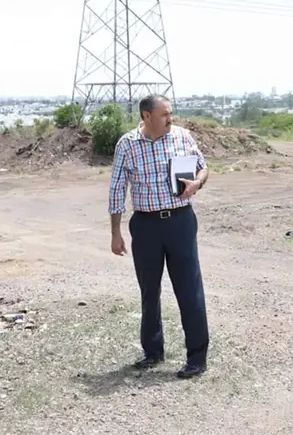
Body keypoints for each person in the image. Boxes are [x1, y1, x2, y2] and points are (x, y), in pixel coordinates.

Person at [108, 94, 211, 379]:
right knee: (149, 291)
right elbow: (117, 189)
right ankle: (153, 352)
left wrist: (197, 183)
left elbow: (203, 167)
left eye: (170, 113)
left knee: (189, 289)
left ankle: (197, 357)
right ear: (146, 116)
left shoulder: (182, 136)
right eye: (164, 114)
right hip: (146, 226)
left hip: (180, 222)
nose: (170, 119)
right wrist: (115, 232)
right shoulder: (127, 144)